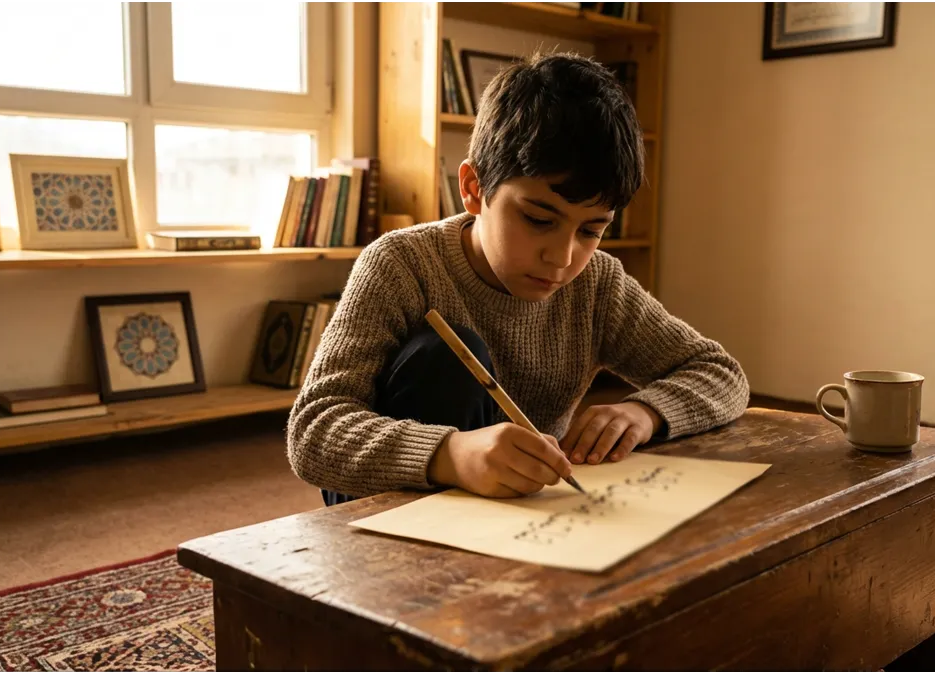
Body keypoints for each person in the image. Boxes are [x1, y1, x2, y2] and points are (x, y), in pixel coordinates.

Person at [287, 51, 749, 507]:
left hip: (512, 509)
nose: (562, 258)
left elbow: (721, 374)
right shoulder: (400, 263)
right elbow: (314, 430)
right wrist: (449, 455)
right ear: (474, 189)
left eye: (591, 230)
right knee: (444, 357)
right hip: (388, 503)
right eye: (538, 219)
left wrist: (646, 412)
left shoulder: (596, 284)